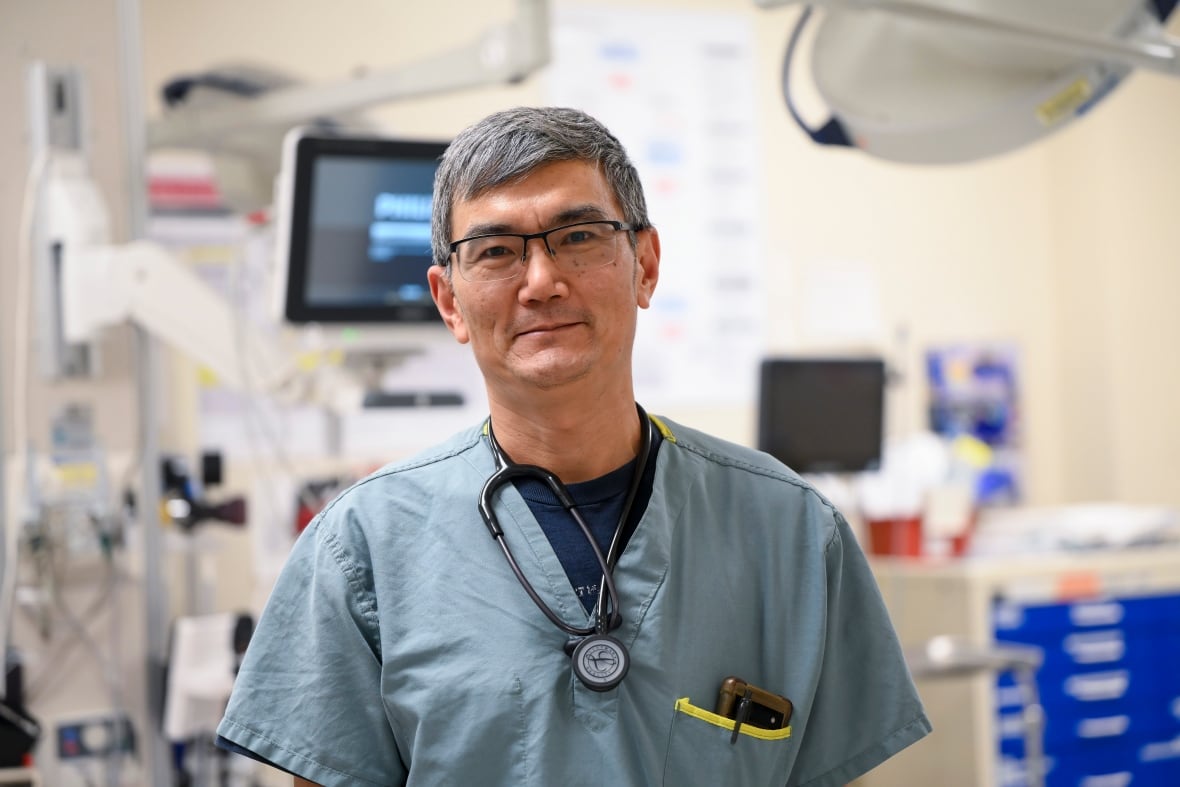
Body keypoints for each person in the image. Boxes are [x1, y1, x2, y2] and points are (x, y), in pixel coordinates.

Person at [216, 106, 931, 786]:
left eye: (579, 236)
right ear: (449, 301)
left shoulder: (794, 532)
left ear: (644, 264)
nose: (542, 281)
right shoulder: (363, 548)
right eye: (495, 251)